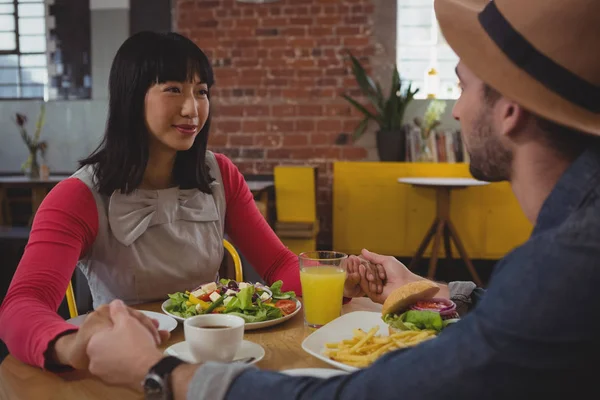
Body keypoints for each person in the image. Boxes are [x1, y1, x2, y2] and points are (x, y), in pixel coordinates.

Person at [83, 0, 600, 398]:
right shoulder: (570, 245)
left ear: (510, 110)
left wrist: (158, 373)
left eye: (462, 87)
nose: (457, 111)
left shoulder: (564, 267)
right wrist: (435, 291)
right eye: (174, 90)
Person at [0, 31, 382, 371]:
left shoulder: (220, 174)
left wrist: (334, 280)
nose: (192, 109)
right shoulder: (77, 196)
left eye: (201, 91)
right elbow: (22, 305)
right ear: (132, 97)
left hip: (216, 354)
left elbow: (279, 263)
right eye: (173, 89)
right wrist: (71, 344)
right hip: (128, 362)